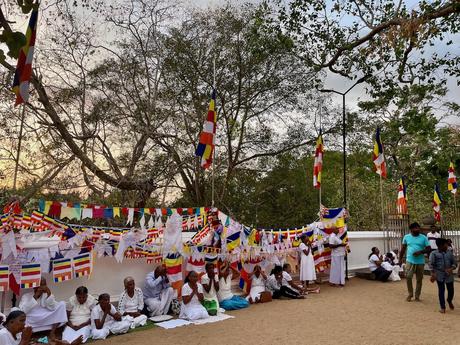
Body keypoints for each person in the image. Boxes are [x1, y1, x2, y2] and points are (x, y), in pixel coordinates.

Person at [399, 222, 431, 302]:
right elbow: (403, 248)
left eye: (418, 228)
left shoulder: (424, 237)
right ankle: (410, 294)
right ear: (411, 229)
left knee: (419, 279)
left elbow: (429, 249)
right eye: (415, 228)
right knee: (408, 277)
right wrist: (400, 258)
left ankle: (417, 296)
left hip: (420, 261)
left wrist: (420, 252)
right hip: (409, 261)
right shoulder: (406, 237)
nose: (417, 229)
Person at [429, 238, 457, 313]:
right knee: (441, 291)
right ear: (441, 245)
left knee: (451, 291)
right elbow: (431, 265)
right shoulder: (434, 253)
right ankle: (443, 307)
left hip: (449, 274)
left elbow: (455, 263)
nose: (447, 245)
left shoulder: (449, 253)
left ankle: (449, 300)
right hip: (439, 274)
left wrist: (451, 269)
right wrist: (433, 274)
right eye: (445, 244)